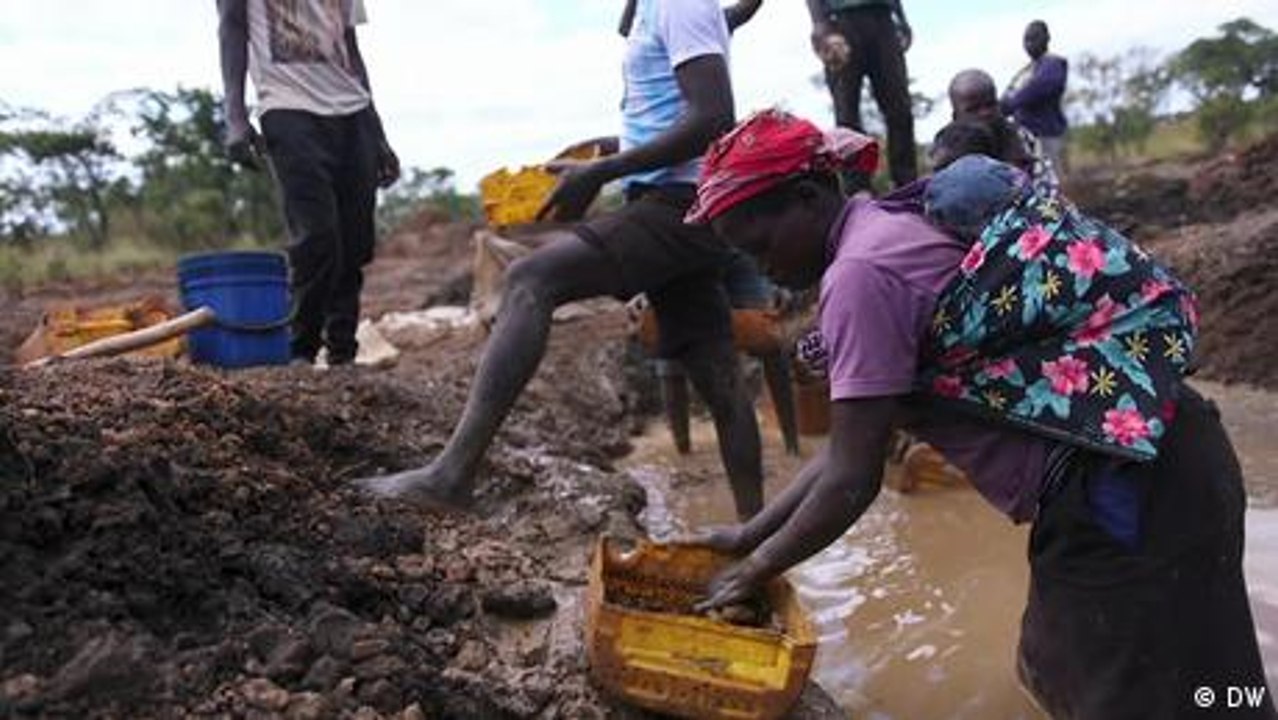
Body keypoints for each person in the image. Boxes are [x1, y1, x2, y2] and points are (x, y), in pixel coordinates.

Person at [684, 110, 1275, 719]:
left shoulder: (859, 276)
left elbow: (852, 479)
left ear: (809, 196)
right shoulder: (892, 220)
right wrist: (748, 535)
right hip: (1167, 452)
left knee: (1142, 694)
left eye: (759, 245)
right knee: (1115, 670)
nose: (761, 268)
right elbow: (847, 448)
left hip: (1125, 491)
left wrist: (755, 568)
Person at [358, 0, 768, 520]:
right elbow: (674, 112)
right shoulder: (661, 10)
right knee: (721, 382)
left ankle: (451, 475)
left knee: (530, 279)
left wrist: (603, 173)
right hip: (680, 206)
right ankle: (760, 541)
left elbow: (712, 117)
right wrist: (605, 155)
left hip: (677, 206)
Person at [218, 0, 400, 366]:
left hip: (353, 113)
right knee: (316, 237)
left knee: (354, 243)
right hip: (288, 109)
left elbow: (349, 47)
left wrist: (377, 132)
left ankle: (342, 353)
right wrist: (235, 116)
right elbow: (231, 28)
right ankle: (301, 350)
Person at [806, 0, 917, 189]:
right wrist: (820, 24)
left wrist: (900, 17)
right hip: (839, 24)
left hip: (882, 17)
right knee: (847, 113)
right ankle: (857, 189)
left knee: (900, 109)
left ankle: (907, 183)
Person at [943, 68, 1060, 197]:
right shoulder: (947, 153)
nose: (985, 113)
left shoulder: (1023, 138)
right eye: (973, 109)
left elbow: (1048, 188)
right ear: (956, 116)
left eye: (990, 104)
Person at [1001, 20, 1068, 176]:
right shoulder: (1026, 70)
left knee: (1051, 182)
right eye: (1026, 40)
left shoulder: (1053, 64)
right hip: (1025, 138)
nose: (1029, 44)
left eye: (1033, 38)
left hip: (1045, 134)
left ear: (1046, 38)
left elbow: (1039, 88)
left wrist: (1009, 104)